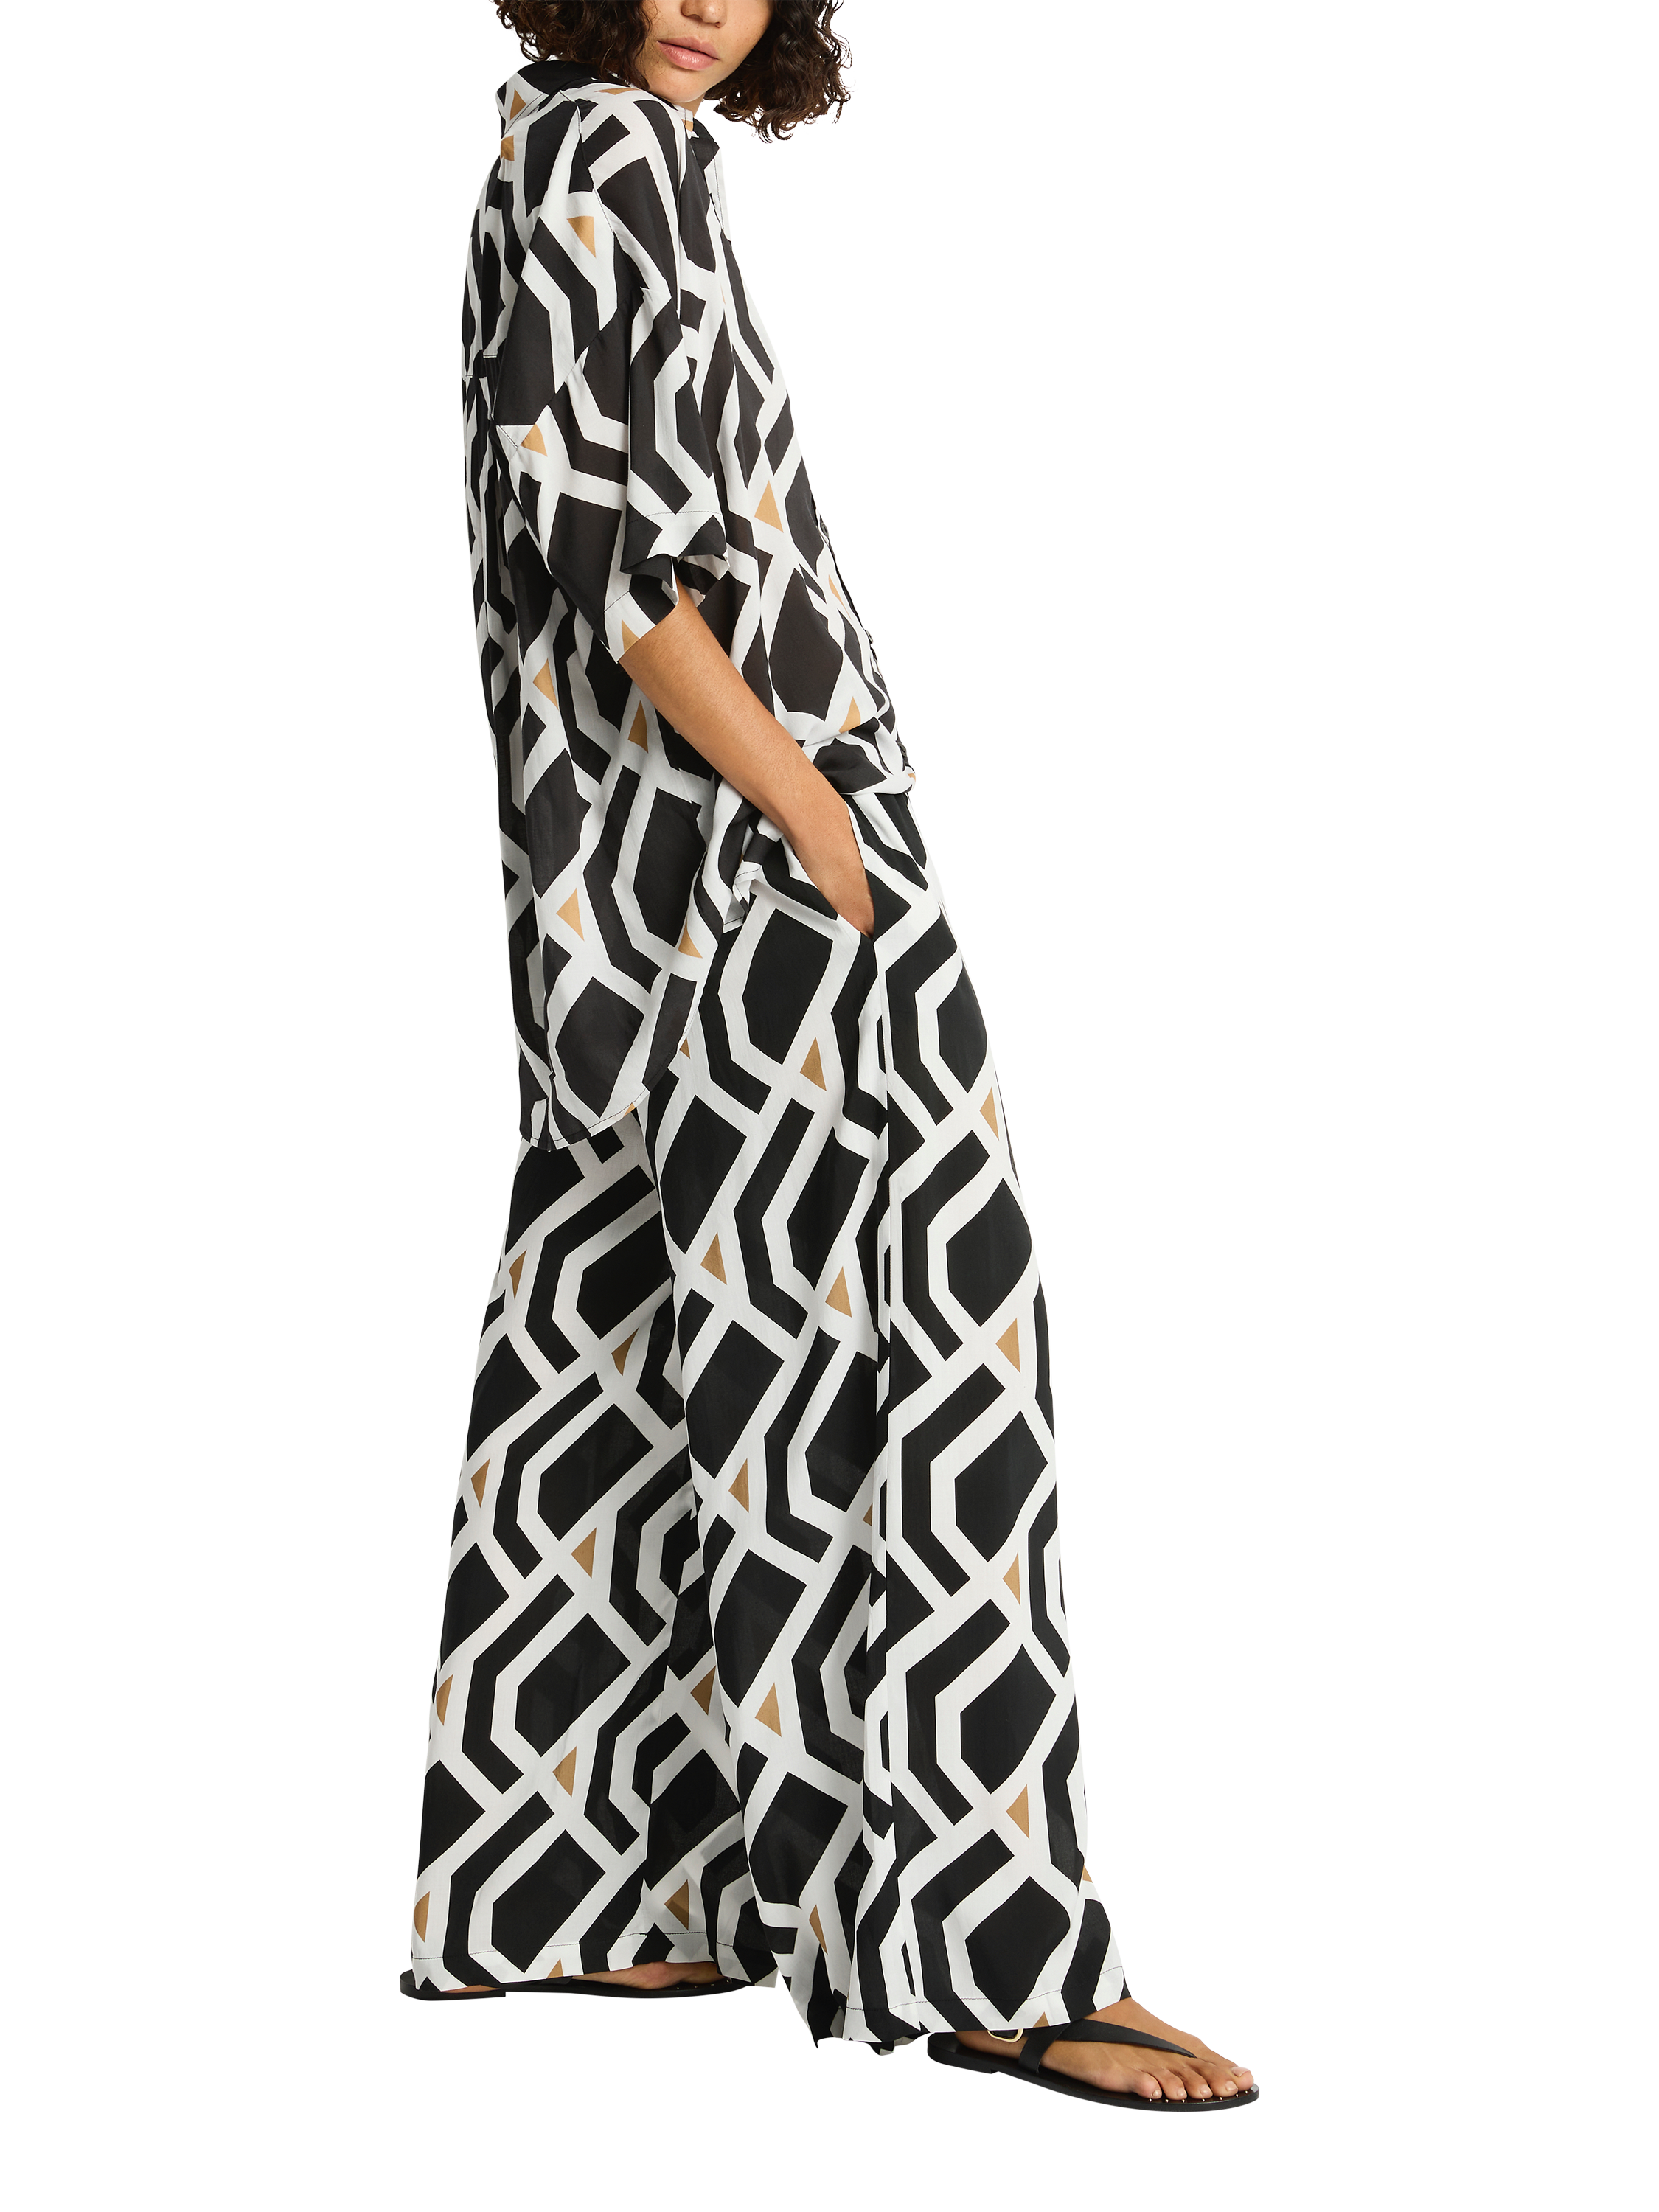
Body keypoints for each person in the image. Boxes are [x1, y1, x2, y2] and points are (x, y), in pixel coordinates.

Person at [405, 0, 1256, 2113]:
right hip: (743, 863)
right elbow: (622, 571)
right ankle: (986, 1948)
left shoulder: (547, 153)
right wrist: (815, 819)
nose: (708, 2)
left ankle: (570, 1885)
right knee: (924, 1343)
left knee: (627, 1322)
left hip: (623, 898)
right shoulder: (607, 159)